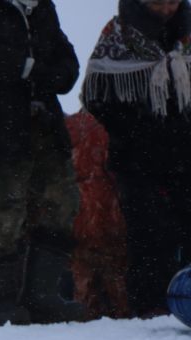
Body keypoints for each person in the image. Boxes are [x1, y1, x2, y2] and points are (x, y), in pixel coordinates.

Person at [0, 0, 83, 324]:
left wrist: (44, 72)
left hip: (44, 125)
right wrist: (24, 67)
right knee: (6, 213)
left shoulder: (42, 7)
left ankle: (42, 299)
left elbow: (66, 64)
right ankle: (1, 307)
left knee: (62, 203)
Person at [81, 0, 191, 316]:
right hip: (137, 159)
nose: (168, 6)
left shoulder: (187, 33)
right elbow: (96, 96)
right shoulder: (118, 35)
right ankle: (150, 308)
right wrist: (136, 129)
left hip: (186, 155)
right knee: (150, 236)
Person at [67, 108, 130, 318]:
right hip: (107, 205)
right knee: (116, 272)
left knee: (82, 272)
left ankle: (85, 314)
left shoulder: (70, 127)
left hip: (77, 206)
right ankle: (121, 314)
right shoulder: (111, 125)